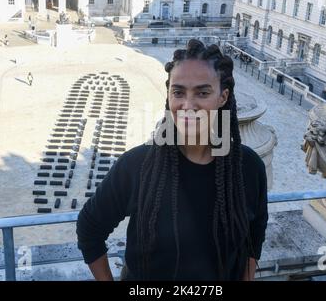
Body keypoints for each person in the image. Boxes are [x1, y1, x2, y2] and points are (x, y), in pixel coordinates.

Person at [76, 39, 268, 281]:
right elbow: (89, 228)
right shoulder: (137, 166)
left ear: (223, 97)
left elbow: (255, 236)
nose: (188, 105)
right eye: (178, 92)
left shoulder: (249, 168)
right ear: (168, 96)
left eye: (202, 92)